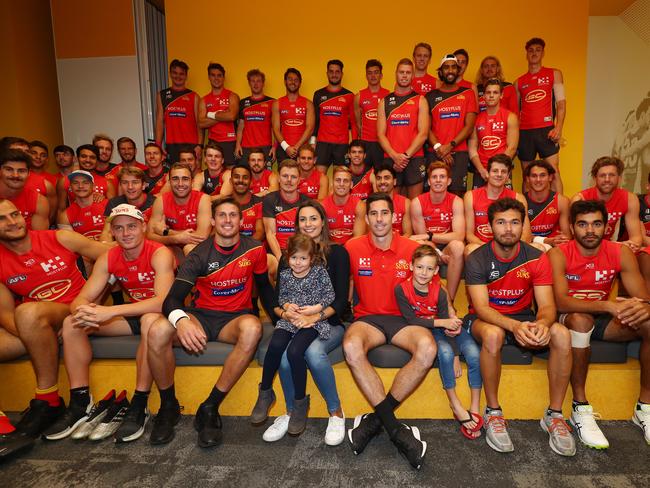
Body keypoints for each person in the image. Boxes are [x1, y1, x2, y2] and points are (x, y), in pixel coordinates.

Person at [147, 196, 275, 447]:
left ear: (241, 220)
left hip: (234, 319)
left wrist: (280, 319)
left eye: (233, 215)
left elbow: (265, 291)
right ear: (213, 221)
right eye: (222, 216)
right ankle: (168, 405)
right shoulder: (198, 254)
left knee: (252, 328)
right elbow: (171, 300)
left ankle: (210, 406)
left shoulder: (255, 249)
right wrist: (182, 321)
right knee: (157, 330)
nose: (228, 220)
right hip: (201, 317)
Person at [43, 204, 175, 442]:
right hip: (131, 313)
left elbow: (163, 302)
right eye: (119, 228)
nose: (126, 233)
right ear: (112, 232)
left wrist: (110, 311)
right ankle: (80, 401)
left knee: (149, 320)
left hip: (164, 317)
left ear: (143, 227)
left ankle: (139, 402)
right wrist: (84, 311)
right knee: (72, 323)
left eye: (132, 227)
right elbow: (81, 298)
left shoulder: (159, 252)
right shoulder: (108, 257)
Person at [465, 197, 575, 456]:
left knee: (560, 332)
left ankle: (555, 415)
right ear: (491, 226)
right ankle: (493, 412)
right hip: (487, 320)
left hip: (524, 317)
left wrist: (543, 324)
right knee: (493, 335)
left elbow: (547, 306)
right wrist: (515, 327)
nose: (508, 229)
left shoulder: (536, 257)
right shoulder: (477, 258)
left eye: (515, 222)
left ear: (523, 225)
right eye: (501, 222)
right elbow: (481, 308)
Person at [0, 200, 108, 438]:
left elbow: (113, 257)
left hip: (72, 310)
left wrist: (94, 302)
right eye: (2, 219)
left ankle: (47, 398)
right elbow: (5, 314)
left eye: (15, 214)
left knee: (26, 311)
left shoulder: (59, 237)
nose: (12, 222)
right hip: (36, 324)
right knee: (25, 315)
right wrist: (37, 334)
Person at [549, 200, 650, 448]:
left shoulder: (620, 252)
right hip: (569, 318)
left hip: (605, 319)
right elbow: (561, 302)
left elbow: (642, 297)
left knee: (649, 322)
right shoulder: (558, 253)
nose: (590, 230)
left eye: (596, 224)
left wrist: (642, 307)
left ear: (607, 227)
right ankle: (580, 407)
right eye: (583, 225)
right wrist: (608, 305)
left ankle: (644, 407)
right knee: (581, 322)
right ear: (572, 228)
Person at [344, 192, 431, 470]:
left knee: (428, 348)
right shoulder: (352, 247)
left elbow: (432, 290)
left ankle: (376, 421)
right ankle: (395, 429)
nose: (380, 219)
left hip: (405, 321)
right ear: (366, 218)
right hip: (368, 319)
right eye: (374, 214)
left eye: (385, 213)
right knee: (350, 346)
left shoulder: (411, 249)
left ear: (395, 217)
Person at [261, 200, 349, 445]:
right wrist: (287, 313)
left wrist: (314, 317)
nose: (308, 224)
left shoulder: (338, 252)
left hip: (329, 322)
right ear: (296, 224)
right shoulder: (288, 258)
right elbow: (279, 300)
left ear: (323, 221)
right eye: (303, 219)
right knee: (284, 354)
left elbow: (341, 300)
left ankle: (336, 412)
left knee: (312, 353)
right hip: (295, 323)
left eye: (313, 218)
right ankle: (291, 412)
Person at [251, 233, 335, 436]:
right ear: (288, 257)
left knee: (295, 352)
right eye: (294, 257)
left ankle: (299, 403)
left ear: (311, 258)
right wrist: (288, 307)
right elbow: (282, 297)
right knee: (276, 345)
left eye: (303, 258)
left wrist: (314, 309)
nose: (298, 263)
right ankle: (265, 392)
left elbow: (330, 295)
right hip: (289, 321)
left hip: (311, 322)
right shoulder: (286, 274)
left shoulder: (319, 272)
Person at [395, 245, 482, 439]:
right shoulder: (402, 289)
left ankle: (475, 405)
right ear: (411, 266)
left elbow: (448, 324)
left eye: (429, 269)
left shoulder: (439, 292)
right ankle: (454, 402)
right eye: (419, 267)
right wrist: (451, 351)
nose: (423, 273)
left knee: (475, 354)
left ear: (436, 271)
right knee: (444, 352)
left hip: (445, 328)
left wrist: (457, 353)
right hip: (428, 330)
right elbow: (412, 320)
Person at [515, 37, 566, 193]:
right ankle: (526, 212)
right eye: (531, 50)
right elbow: (516, 112)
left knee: (553, 172)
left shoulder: (554, 74)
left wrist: (558, 128)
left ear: (543, 53)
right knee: (527, 176)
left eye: (538, 50)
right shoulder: (518, 82)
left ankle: (559, 209)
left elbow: (561, 104)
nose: (534, 53)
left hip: (546, 130)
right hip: (525, 133)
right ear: (526, 54)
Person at [410, 162, 465, 300]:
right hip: (429, 246)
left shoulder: (456, 201)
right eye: (434, 177)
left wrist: (430, 235)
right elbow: (423, 241)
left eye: (442, 177)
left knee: (458, 246)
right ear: (429, 181)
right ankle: (425, 299)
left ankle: (449, 301)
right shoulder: (417, 202)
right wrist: (438, 253)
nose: (438, 180)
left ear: (449, 181)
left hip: (448, 247)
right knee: (419, 244)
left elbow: (459, 235)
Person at [377, 58, 429, 198]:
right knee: (390, 205)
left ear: (412, 75)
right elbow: (380, 134)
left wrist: (404, 157)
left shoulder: (421, 100)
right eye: (401, 72)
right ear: (396, 74)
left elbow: (423, 133)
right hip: (391, 158)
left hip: (414, 158)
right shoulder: (384, 102)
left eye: (408, 72)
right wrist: (395, 156)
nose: (404, 75)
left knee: (414, 207)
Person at [426, 54, 478, 196]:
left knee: (457, 196)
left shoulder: (468, 94)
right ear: (441, 72)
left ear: (458, 70)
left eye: (453, 67)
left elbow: (469, 126)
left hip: (459, 153)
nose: (450, 70)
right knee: (434, 195)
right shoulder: (430, 96)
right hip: (435, 153)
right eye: (446, 67)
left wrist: (449, 146)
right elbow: (426, 128)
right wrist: (438, 148)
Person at [572, 156, 642, 252]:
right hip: (585, 249)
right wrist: (616, 245)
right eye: (602, 175)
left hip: (610, 248)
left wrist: (629, 246)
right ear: (594, 178)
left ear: (619, 178)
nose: (607, 179)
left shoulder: (630, 199)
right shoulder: (579, 199)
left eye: (612, 175)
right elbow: (576, 240)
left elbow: (636, 238)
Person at [464, 154, 531, 248]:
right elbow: (469, 235)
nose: (499, 174)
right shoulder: (470, 196)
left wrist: (508, 248)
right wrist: (491, 249)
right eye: (495, 171)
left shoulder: (518, 198)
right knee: (470, 249)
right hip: (482, 247)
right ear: (487, 173)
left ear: (508, 176)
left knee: (539, 248)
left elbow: (526, 235)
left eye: (503, 172)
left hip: (510, 247)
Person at [147, 163, 212, 257]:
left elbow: (201, 237)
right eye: (175, 179)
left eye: (185, 179)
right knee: (160, 252)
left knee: (189, 248)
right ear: (169, 182)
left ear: (192, 182)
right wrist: (175, 239)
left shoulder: (203, 199)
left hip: (197, 248)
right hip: (172, 247)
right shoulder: (160, 201)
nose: (180, 184)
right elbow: (150, 235)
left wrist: (167, 232)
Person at [467, 79, 519, 188]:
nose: (491, 96)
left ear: (501, 95)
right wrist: (481, 169)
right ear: (484, 96)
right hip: (481, 172)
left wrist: (497, 169)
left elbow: (512, 148)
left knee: (504, 204)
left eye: (495, 93)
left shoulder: (510, 117)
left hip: (502, 170)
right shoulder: (476, 119)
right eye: (488, 92)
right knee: (478, 204)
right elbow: (472, 148)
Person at [312, 60, 356, 171]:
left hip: (342, 145)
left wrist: (353, 146)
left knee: (341, 181)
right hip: (322, 144)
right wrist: (312, 142)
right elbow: (315, 121)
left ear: (342, 74)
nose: (334, 74)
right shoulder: (318, 94)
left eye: (337, 72)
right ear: (327, 73)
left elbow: (353, 124)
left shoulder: (350, 96)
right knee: (320, 179)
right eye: (331, 71)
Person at [155, 59, 200, 164]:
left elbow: (199, 124)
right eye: (175, 73)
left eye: (181, 74)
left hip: (191, 144)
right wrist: (158, 145)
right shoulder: (162, 95)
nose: (178, 76)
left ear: (186, 76)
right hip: (172, 144)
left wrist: (199, 145)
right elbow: (159, 121)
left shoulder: (194, 96)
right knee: (174, 175)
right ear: (170, 74)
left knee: (192, 176)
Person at [263, 159, 309, 260]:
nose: (289, 180)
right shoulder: (269, 199)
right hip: (277, 251)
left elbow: (307, 235)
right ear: (278, 178)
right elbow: (270, 233)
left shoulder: (306, 202)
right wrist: (281, 260)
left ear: (299, 180)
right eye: (285, 176)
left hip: (300, 251)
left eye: (293, 177)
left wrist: (298, 258)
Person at [99, 167, 157, 243]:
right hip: (122, 247)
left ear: (143, 185)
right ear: (120, 185)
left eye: (135, 182)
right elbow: (107, 233)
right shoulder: (114, 203)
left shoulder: (156, 203)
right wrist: (106, 246)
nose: (130, 187)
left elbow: (158, 234)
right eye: (125, 182)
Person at [199, 63, 240, 166]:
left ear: (223, 77)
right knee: (214, 171)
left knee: (231, 172)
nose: (216, 78)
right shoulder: (204, 100)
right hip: (213, 142)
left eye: (219, 75)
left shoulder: (232, 96)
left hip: (230, 141)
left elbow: (232, 116)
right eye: (213, 75)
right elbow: (201, 123)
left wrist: (210, 114)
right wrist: (222, 115)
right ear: (209, 77)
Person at [524, 160, 571, 250]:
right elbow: (524, 237)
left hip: (555, 246)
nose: (538, 180)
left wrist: (555, 241)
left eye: (542, 175)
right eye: (534, 176)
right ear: (527, 179)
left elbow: (567, 236)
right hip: (530, 247)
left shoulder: (562, 201)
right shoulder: (521, 201)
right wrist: (546, 241)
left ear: (550, 177)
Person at [272, 68, 315, 162]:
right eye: (290, 79)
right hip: (283, 148)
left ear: (300, 83)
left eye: (296, 80)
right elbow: (276, 128)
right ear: (285, 81)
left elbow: (310, 128)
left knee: (303, 177)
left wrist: (297, 147)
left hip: (302, 150)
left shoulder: (308, 104)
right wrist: (286, 147)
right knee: (283, 176)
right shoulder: (277, 103)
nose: (293, 82)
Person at [0, 150, 49, 230]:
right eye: (9, 170)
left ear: (29, 173)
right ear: (0, 171)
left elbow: (39, 236)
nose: (15, 175)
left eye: (21, 171)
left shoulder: (39, 201)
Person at [354, 59, 390, 169]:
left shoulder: (388, 95)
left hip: (383, 143)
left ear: (381, 75)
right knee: (365, 176)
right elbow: (358, 123)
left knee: (382, 175)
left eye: (376, 72)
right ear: (366, 76)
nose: (373, 76)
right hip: (366, 143)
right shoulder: (359, 96)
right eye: (370, 73)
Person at [58, 144, 115, 212]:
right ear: (77, 158)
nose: (88, 160)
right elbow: (61, 210)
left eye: (92, 157)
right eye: (84, 156)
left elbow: (114, 211)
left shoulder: (107, 183)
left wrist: (104, 199)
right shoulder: (65, 181)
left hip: (99, 221)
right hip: (75, 221)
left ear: (97, 160)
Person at [57, 170, 108, 241]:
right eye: (75, 183)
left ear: (93, 187)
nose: (80, 186)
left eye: (85, 182)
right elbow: (70, 245)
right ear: (70, 188)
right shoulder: (65, 216)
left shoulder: (108, 206)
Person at [236, 69, 275, 162]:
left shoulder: (272, 102)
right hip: (246, 148)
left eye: (258, 81)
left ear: (263, 83)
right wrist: (238, 145)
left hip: (265, 148)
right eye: (253, 81)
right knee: (245, 175)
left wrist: (274, 147)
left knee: (265, 175)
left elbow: (275, 128)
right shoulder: (242, 103)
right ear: (249, 83)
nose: (255, 84)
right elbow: (241, 127)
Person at [321, 166, 366, 244]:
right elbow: (322, 238)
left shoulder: (359, 206)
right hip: (330, 248)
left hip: (351, 248)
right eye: (338, 180)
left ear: (351, 184)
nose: (341, 184)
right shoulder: (322, 206)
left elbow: (357, 239)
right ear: (332, 183)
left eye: (345, 181)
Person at [374, 165, 411, 236]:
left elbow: (407, 233)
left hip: (400, 243)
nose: (382, 182)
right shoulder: (369, 203)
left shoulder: (405, 203)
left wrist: (396, 246)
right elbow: (370, 234)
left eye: (386, 178)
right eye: (378, 178)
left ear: (394, 181)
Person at [230, 164, 264, 241]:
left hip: (252, 248)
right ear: (230, 181)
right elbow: (217, 232)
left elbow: (260, 232)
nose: (241, 180)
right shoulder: (223, 203)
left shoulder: (260, 203)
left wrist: (244, 248)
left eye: (245, 178)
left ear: (251, 182)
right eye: (236, 177)